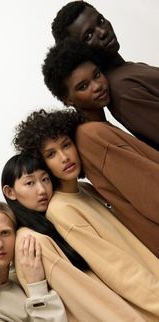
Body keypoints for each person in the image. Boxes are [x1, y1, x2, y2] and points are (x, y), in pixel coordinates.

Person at [13, 108, 159, 321]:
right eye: (51, 154)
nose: (64, 157)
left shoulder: (85, 189)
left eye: (66, 145)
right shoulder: (61, 210)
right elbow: (118, 270)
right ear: (42, 163)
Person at [42, 39, 159, 257]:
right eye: (83, 86)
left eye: (96, 75)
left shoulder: (97, 129)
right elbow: (151, 192)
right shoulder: (92, 136)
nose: (97, 86)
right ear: (68, 99)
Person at [51, 0, 159, 150]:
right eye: (88, 36)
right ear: (78, 49)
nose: (103, 32)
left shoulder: (125, 70)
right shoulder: (122, 89)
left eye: (100, 21)